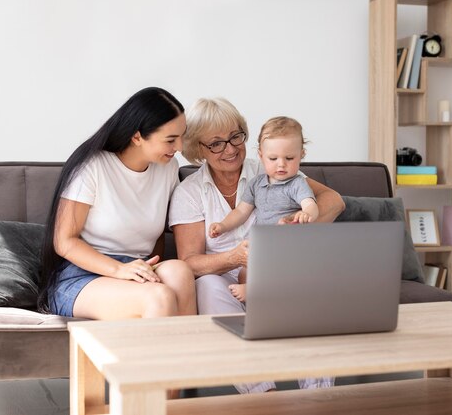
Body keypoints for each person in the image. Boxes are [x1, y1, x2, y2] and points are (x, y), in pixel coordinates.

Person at [169, 97, 345, 394]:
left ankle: (319, 398)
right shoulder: (189, 192)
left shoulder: (272, 168)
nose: (231, 149)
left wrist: (295, 227)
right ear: (198, 149)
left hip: (276, 269)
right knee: (207, 285)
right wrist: (234, 257)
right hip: (226, 280)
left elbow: (334, 201)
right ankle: (264, 395)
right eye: (216, 143)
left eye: (236, 136)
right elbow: (189, 260)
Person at [37, 87, 196, 325]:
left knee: (180, 273)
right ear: (137, 136)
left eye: (182, 136)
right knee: (158, 296)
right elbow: (64, 241)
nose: (180, 148)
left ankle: (189, 361)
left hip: (136, 269)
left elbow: (158, 237)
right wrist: (118, 271)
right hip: (82, 275)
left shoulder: (168, 168)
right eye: (171, 139)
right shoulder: (92, 166)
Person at [209, 116, 318, 302]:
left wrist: (305, 214)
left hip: (288, 243)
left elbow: (311, 205)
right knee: (246, 271)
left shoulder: (296, 183)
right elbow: (241, 212)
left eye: (289, 158)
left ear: (302, 155)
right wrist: (222, 226)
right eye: (273, 158)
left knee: (280, 268)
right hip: (263, 244)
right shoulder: (257, 184)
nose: (281, 164)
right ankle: (255, 294)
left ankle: (256, 292)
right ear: (261, 156)